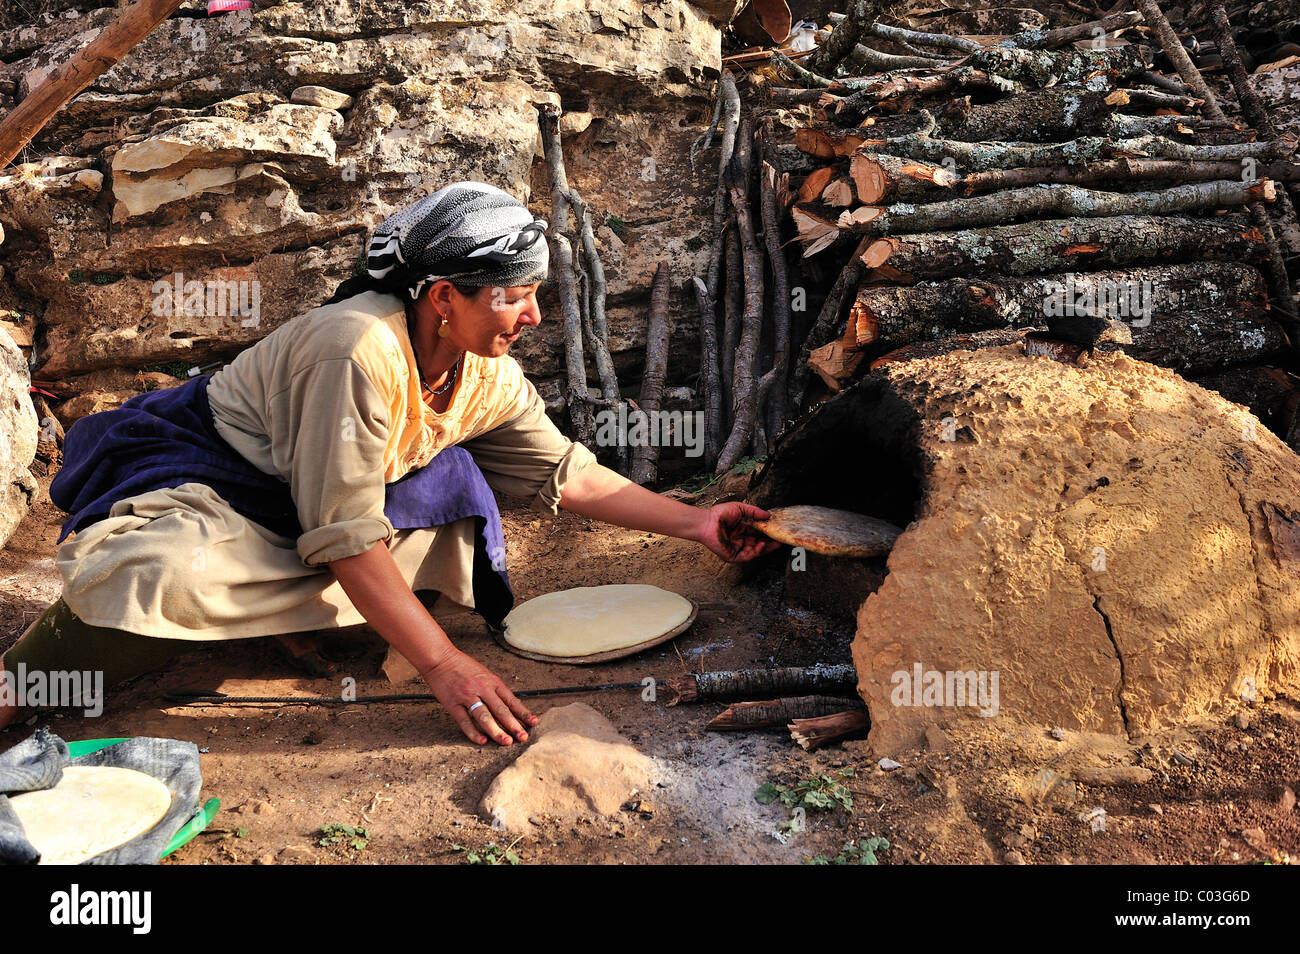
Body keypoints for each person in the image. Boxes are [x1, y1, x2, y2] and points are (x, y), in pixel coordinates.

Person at [0, 182, 779, 744]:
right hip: (215, 484)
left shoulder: (486, 371)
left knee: (454, 520)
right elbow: (340, 533)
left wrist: (697, 520)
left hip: (316, 510)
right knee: (153, 576)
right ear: (444, 296)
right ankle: (27, 682)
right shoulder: (357, 347)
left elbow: (565, 472)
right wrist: (443, 666)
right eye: (515, 295)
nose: (534, 317)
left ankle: (269, 620)